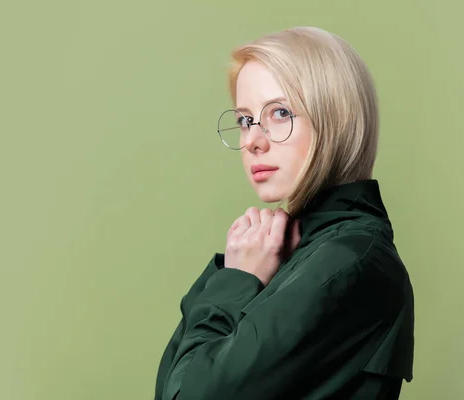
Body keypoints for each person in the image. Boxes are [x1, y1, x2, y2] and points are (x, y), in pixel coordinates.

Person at [154, 26, 414, 400]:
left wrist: (237, 280)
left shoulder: (348, 261)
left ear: (334, 120)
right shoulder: (291, 250)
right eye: (245, 120)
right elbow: (172, 387)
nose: (253, 141)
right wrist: (238, 273)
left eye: (279, 112)